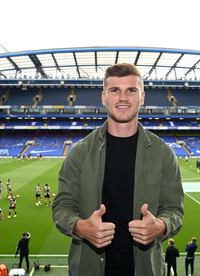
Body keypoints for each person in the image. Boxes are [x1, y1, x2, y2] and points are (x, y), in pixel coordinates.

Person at [52, 63, 184, 276]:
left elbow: (174, 210)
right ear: (103, 97)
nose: (123, 98)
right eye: (115, 90)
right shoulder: (80, 152)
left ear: (142, 96)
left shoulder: (163, 153)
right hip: (89, 269)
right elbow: (61, 207)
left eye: (131, 90)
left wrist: (161, 226)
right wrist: (80, 227)